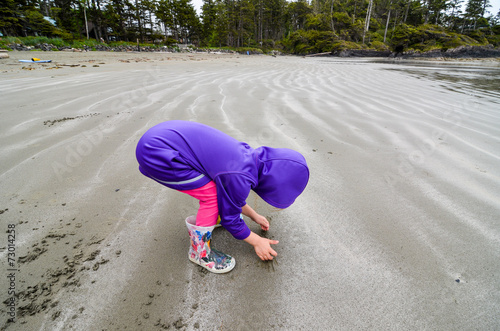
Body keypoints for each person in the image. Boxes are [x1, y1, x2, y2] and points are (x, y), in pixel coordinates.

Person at [136, 120, 309, 273]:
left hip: (162, 136)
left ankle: (214, 217)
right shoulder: (239, 177)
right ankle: (200, 252)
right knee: (211, 195)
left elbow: (230, 193)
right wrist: (257, 241)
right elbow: (231, 220)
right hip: (157, 153)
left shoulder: (248, 158)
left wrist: (254, 216)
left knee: (217, 190)